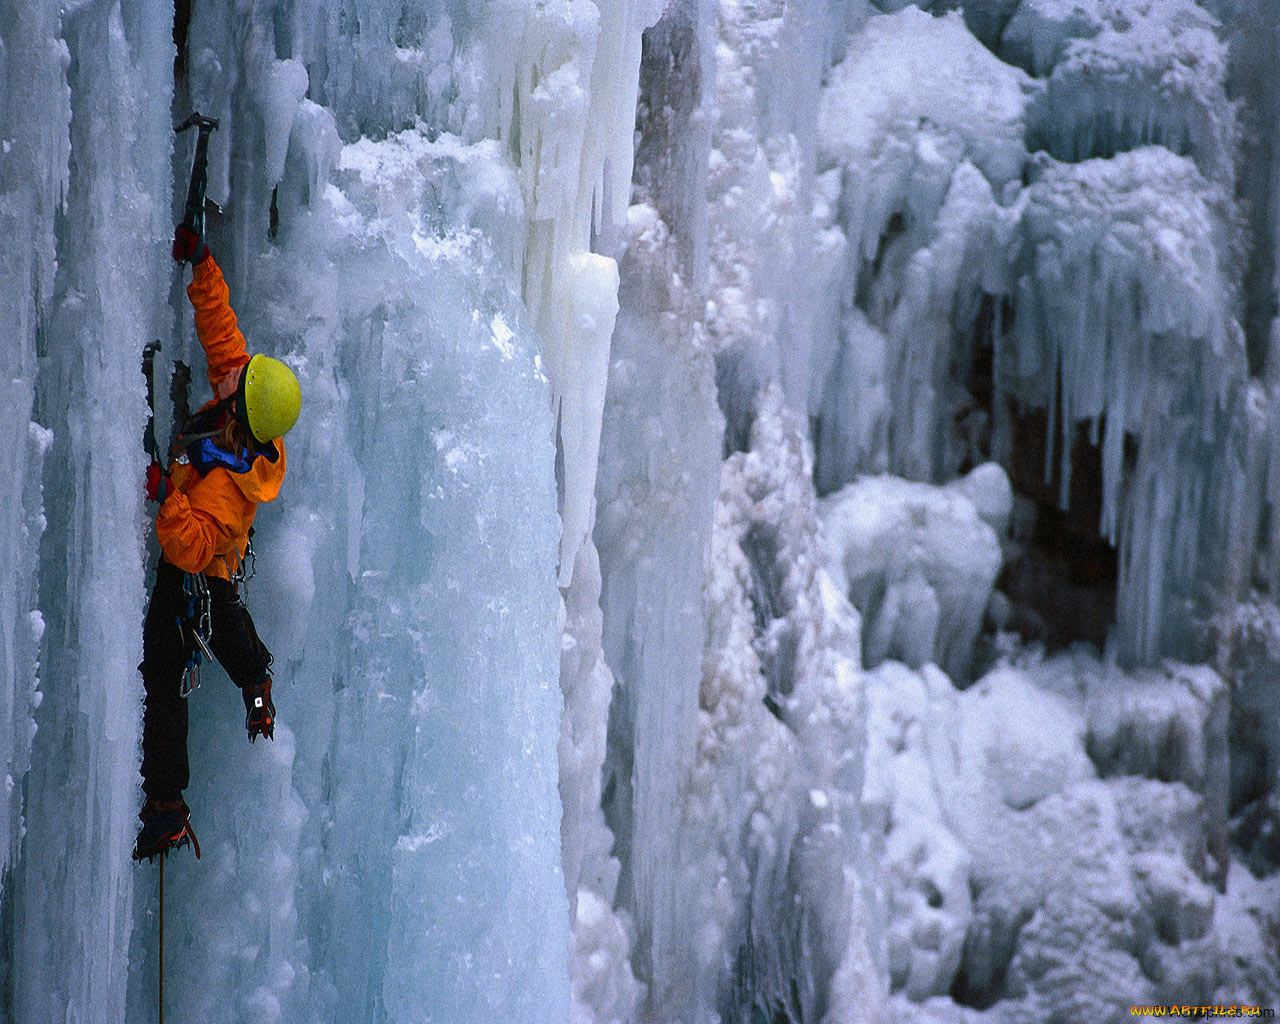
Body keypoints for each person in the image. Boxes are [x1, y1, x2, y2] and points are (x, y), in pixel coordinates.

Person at [133, 224, 301, 862]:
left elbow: (192, 548)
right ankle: (254, 676)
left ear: (241, 417)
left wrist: (164, 495)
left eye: (238, 384)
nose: (229, 379)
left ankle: (167, 806)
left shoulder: (231, 495)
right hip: (202, 557)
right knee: (222, 639)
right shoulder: (247, 411)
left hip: (203, 572)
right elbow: (224, 336)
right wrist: (203, 263)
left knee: (166, 665)